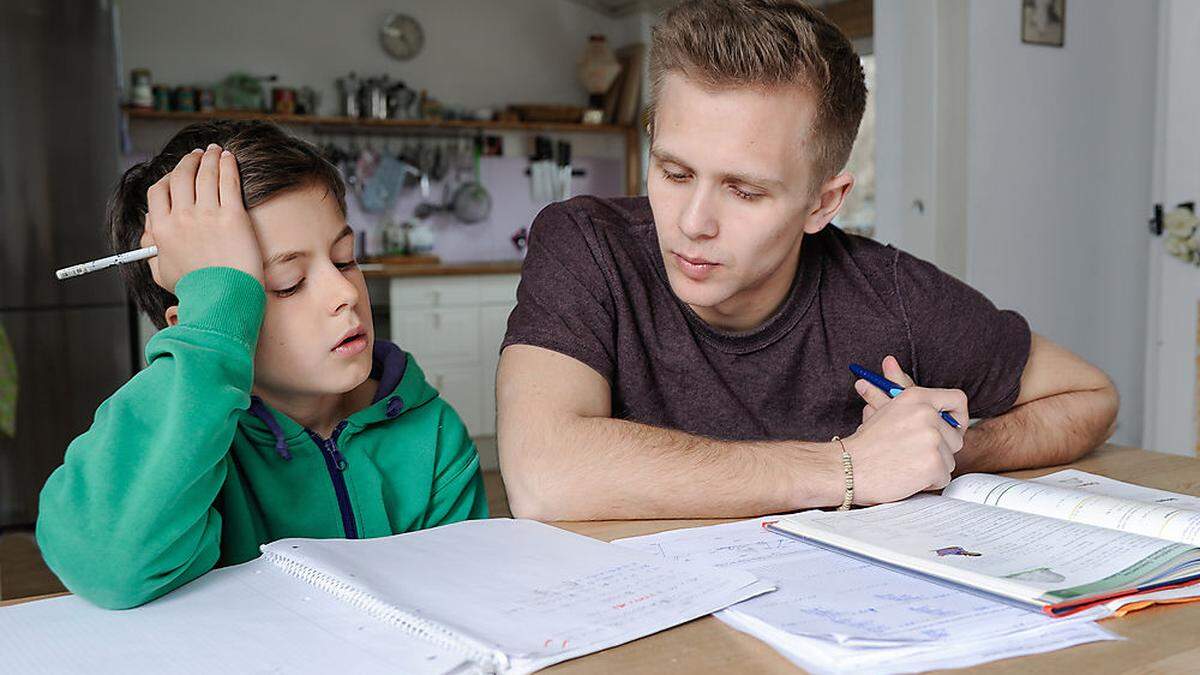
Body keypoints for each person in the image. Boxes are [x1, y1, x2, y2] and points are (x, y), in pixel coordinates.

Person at [497, 0, 1118, 521]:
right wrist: (849, 467)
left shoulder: (891, 294)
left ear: (824, 203)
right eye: (675, 171)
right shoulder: (585, 242)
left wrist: (940, 448)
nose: (693, 223)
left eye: (744, 190)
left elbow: (1090, 397)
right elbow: (542, 472)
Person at [37, 121, 487, 609]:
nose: (345, 294)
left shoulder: (429, 432)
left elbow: (466, 600)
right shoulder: (195, 452)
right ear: (205, 319)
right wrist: (214, 316)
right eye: (288, 283)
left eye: (345, 259)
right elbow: (107, 564)